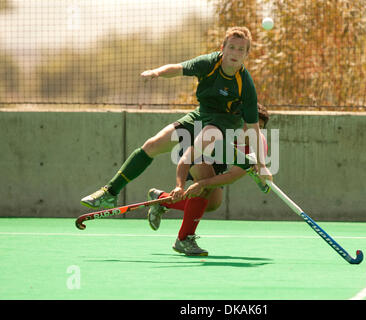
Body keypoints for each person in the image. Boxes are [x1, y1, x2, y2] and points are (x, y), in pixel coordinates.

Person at [81, 26, 272, 211]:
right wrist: (156, 72)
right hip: (200, 116)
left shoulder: (246, 85)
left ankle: (247, 165)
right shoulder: (209, 63)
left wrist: (262, 166)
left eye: (241, 49)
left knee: (211, 198)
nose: (235, 52)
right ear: (222, 48)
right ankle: (110, 193)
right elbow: (179, 68)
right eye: (231, 47)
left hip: (224, 126)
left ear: (246, 54)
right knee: (153, 144)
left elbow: (253, 127)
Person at [147, 106, 270, 256]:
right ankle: (184, 239)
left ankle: (162, 200)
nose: (250, 131)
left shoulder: (258, 146)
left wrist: (202, 184)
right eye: (247, 125)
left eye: (258, 128)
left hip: (218, 159)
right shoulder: (222, 128)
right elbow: (186, 159)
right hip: (196, 150)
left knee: (212, 203)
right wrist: (181, 186)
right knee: (205, 187)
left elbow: (232, 176)